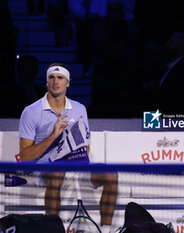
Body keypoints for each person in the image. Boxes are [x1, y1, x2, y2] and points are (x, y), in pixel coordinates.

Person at [18, 63, 118, 233]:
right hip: (46, 168)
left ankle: (106, 230)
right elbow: (25, 156)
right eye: (52, 77)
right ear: (47, 82)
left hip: (76, 166)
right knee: (57, 173)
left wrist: (76, 151)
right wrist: (53, 136)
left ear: (68, 83)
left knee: (110, 175)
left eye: (60, 78)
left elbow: (85, 146)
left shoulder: (79, 109)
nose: (55, 81)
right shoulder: (31, 111)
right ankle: (53, 230)